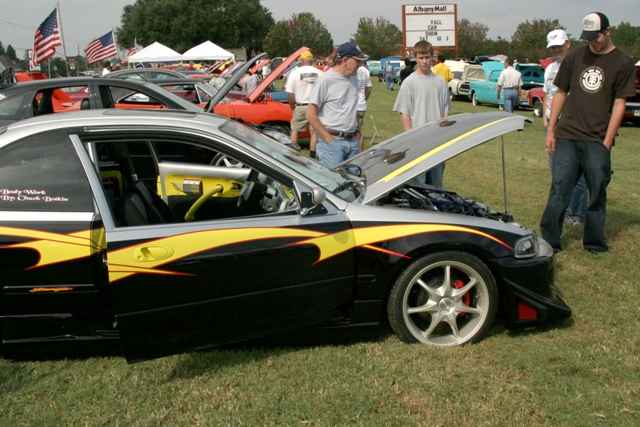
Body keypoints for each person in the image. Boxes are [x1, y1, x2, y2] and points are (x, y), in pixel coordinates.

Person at [541, 12, 636, 253]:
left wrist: (607, 140)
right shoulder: (575, 56)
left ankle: (594, 242)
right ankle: (549, 241)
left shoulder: (623, 63)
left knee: (596, 192)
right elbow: (560, 92)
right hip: (567, 135)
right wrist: (551, 130)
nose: (593, 42)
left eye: (597, 37)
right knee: (560, 188)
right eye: (588, 38)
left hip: (597, 138)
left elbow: (620, 103)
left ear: (608, 32)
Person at [543, 29, 587, 226]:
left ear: (568, 44)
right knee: (557, 173)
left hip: (574, 125)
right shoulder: (550, 68)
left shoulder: (580, 66)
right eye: (553, 47)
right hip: (555, 126)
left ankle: (576, 213)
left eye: (559, 46)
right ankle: (562, 211)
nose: (556, 50)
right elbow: (548, 93)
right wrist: (546, 120)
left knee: (578, 174)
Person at [393, 40, 450, 188]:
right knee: (419, 186)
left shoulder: (441, 82)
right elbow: (405, 113)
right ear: (415, 58)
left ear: (433, 57)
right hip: (417, 143)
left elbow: (445, 113)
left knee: (437, 186)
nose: (424, 61)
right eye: (421, 58)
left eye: (427, 57)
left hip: (437, 142)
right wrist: (411, 138)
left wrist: (445, 139)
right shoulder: (409, 83)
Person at [307, 41, 368, 169]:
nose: (360, 65)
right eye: (357, 61)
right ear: (345, 60)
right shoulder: (325, 80)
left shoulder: (355, 79)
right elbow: (311, 115)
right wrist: (329, 140)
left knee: (354, 180)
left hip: (353, 143)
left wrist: (358, 134)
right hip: (332, 144)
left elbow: (351, 109)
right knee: (332, 181)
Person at [285, 50, 322, 154]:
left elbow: (290, 94)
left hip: (300, 105)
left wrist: (292, 106)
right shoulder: (320, 73)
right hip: (315, 106)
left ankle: (293, 149)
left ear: (301, 60)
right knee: (314, 130)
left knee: (295, 128)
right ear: (311, 60)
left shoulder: (294, 73)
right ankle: (313, 153)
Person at [356, 62, 373, 150]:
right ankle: (360, 152)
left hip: (352, 106)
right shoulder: (365, 71)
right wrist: (364, 98)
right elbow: (369, 88)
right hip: (361, 105)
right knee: (359, 130)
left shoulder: (348, 69)